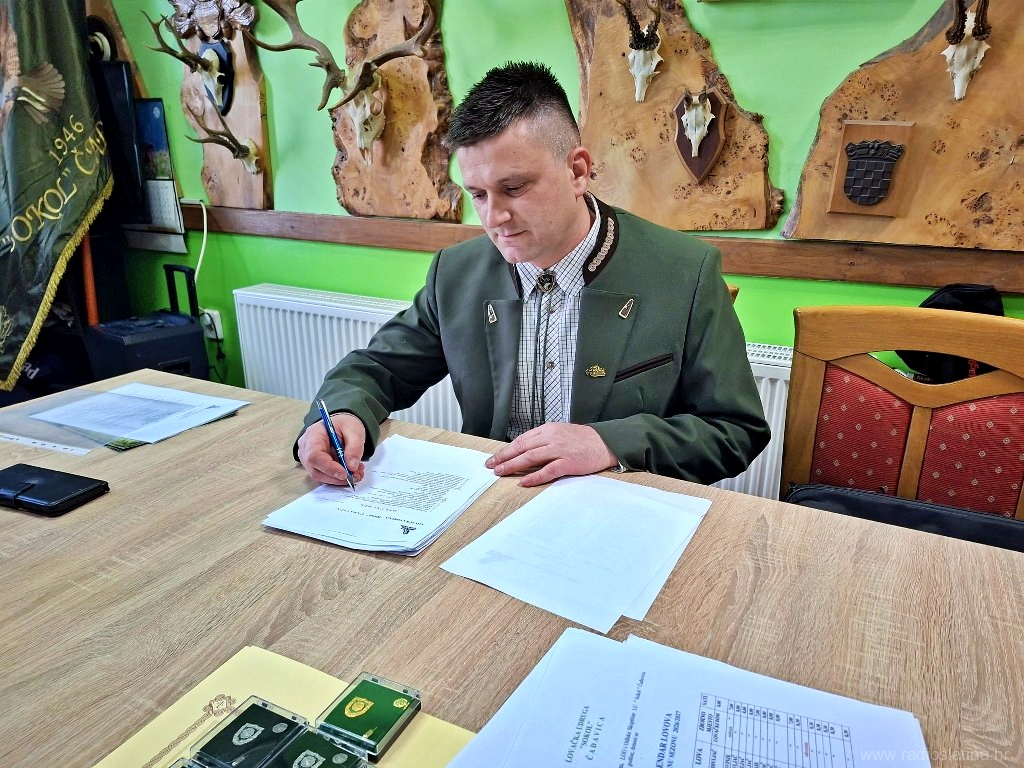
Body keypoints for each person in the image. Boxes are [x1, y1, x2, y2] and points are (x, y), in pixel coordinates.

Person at [297, 61, 769, 488]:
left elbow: (735, 430)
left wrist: (608, 443)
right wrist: (341, 414)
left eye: (514, 187)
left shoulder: (685, 272)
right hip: (488, 504)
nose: (494, 218)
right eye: (478, 194)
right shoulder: (456, 274)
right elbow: (379, 368)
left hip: (617, 509)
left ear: (578, 170)